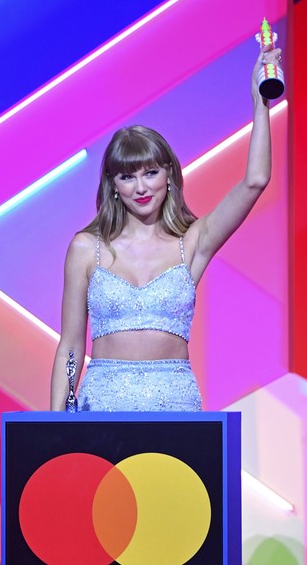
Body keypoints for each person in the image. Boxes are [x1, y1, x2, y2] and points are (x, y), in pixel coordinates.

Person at [50, 43, 281, 411]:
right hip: (102, 404)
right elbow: (71, 347)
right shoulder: (86, 248)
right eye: (127, 176)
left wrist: (260, 103)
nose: (141, 188)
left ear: (169, 174)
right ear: (113, 184)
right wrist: (57, 429)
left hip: (174, 404)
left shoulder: (192, 242)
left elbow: (255, 180)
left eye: (151, 173)